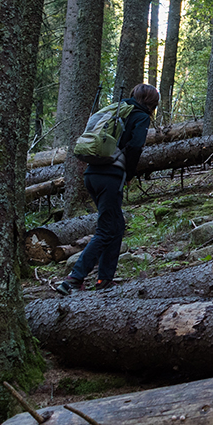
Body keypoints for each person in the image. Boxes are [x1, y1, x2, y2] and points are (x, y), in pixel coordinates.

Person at [54, 83, 159, 295]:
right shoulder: (140, 116)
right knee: (106, 228)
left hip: (92, 174)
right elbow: (136, 146)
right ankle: (74, 278)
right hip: (110, 176)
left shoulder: (117, 110)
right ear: (151, 103)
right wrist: (128, 174)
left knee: (116, 225)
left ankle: (104, 280)